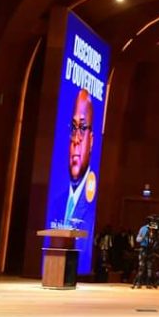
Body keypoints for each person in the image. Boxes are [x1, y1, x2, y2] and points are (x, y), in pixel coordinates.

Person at [64, 89, 95, 229]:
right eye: (73, 128)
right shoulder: (56, 202)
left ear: (91, 141)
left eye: (82, 128)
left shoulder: (92, 205)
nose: (76, 139)